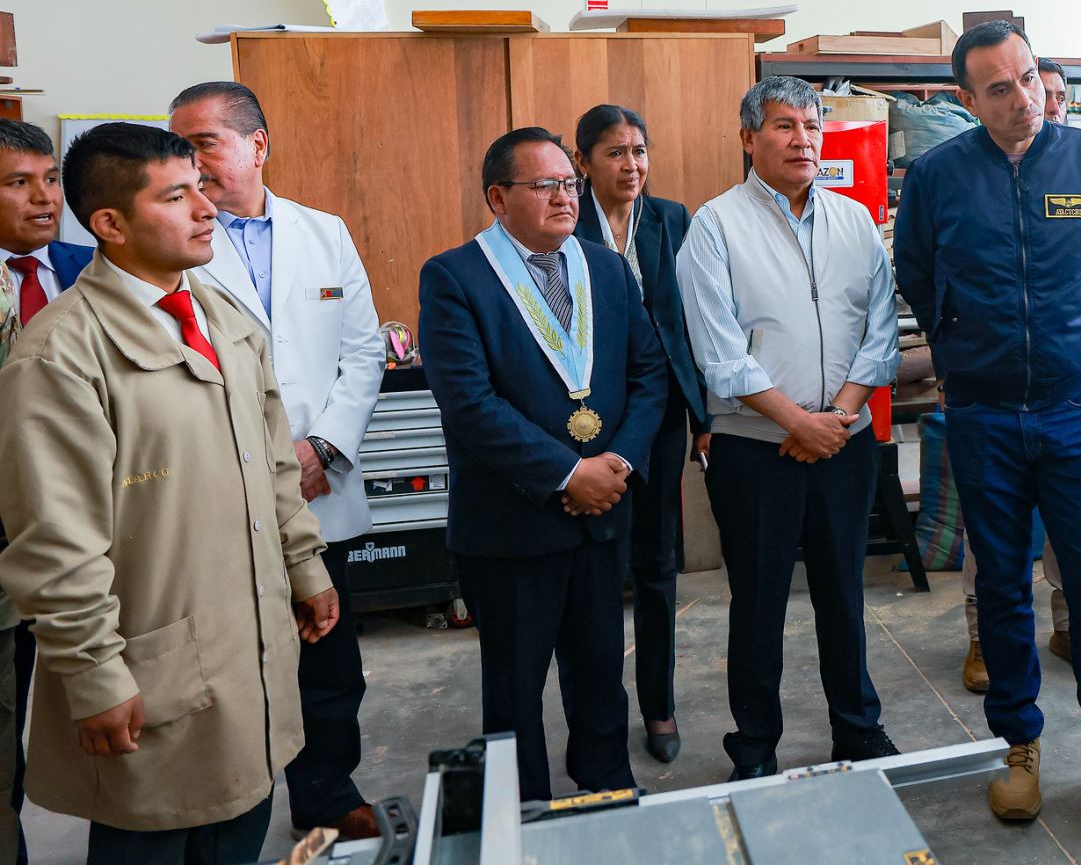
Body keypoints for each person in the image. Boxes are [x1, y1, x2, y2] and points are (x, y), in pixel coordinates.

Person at [0, 122, 337, 864]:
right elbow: (57, 541)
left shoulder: (223, 320)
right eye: (177, 196)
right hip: (150, 670)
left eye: (201, 189)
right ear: (111, 224)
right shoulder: (60, 354)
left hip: (244, 652)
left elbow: (274, 463)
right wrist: (92, 673)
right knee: (154, 829)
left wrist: (306, 566)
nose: (205, 208)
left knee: (241, 820)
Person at [894, 21, 1081, 838]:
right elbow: (915, 270)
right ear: (967, 100)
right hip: (983, 409)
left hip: (1073, 407)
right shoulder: (938, 174)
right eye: (998, 87)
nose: (1022, 98)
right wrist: (956, 348)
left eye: (1027, 78)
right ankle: (1017, 744)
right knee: (1001, 586)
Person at [419, 127, 667, 801]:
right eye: (546, 185)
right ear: (499, 197)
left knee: (598, 674)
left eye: (569, 183)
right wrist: (568, 473)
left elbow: (650, 376)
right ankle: (522, 807)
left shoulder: (606, 268)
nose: (566, 197)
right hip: (514, 523)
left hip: (603, 511)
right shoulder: (455, 277)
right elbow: (468, 404)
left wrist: (616, 461)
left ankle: (606, 785)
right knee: (515, 684)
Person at [166, 82, 386, 837]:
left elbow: (362, 351)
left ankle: (327, 796)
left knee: (328, 656)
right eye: (180, 147)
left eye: (204, 143)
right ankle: (236, 808)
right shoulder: (176, 243)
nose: (190, 163)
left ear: (258, 145)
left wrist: (323, 447)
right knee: (234, 662)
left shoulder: (324, 233)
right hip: (225, 488)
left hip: (320, 482)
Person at [676, 77, 900, 780]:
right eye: (782, 126)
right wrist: (796, 421)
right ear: (748, 138)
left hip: (844, 442)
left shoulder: (855, 220)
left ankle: (857, 731)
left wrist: (836, 416)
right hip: (755, 449)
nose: (801, 139)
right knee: (760, 603)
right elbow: (718, 352)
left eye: (811, 125)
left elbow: (881, 329)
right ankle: (755, 745)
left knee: (844, 595)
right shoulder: (714, 226)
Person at [571, 104, 710, 765]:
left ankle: (659, 705)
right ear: (583, 163)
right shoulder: (566, 227)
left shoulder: (670, 219)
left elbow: (687, 322)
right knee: (599, 570)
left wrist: (704, 417)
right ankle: (600, 713)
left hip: (659, 416)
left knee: (658, 568)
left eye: (638, 151)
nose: (630, 166)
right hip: (591, 424)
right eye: (614, 153)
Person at [959, 57, 1072, 694]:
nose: (1037, 104)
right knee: (994, 535)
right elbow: (923, 271)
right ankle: (984, 639)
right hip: (991, 392)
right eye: (1017, 89)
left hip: (1068, 388)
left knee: (1072, 529)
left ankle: (1067, 624)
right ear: (978, 100)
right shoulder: (962, 173)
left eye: (1048, 93)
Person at [0, 117, 94, 864]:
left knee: (92, 703)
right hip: (6, 543)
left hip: (87, 536)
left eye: (49, 180)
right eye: (16, 183)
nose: (42, 199)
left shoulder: (90, 268)